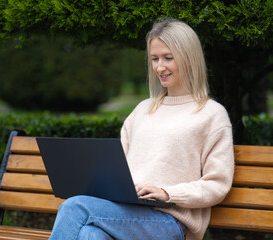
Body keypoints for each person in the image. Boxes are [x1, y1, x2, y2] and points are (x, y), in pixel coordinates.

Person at [49, 18, 234, 240]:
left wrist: (167, 193)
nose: (159, 67)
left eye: (168, 58)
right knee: (91, 235)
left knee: (75, 207)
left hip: (168, 221)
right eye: (155, 59)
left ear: (189, 58)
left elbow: (217, 184)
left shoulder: (212, 114)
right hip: (125, 212)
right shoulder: (142, 110)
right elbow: (119, 169)